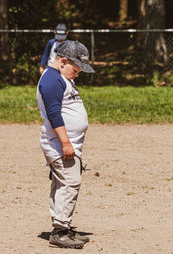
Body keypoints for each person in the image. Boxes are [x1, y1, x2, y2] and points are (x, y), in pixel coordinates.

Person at [37, 40, 95, 249]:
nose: (78, 74)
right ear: (63, 62)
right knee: (71, 182)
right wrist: (65, 143)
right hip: (59, 144)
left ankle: (62, 226)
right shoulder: (51, 81)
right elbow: (54, 115)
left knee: (64, 183)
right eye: (76, 69)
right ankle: (60, 232)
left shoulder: (59, 77)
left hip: (65, 143)